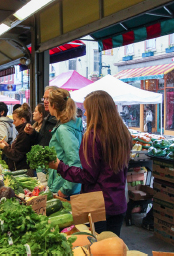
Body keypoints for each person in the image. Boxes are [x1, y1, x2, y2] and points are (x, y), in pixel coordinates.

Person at [49, 90, 132, 236]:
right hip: (118, 201)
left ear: (97, 112)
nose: (85, 114)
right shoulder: (123, 133)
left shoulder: (93, 136)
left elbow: (88, 176)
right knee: (113, 247)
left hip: (97, 204)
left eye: (87, 110)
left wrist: (59, 166)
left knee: (97, 246)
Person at [46, 88, 82, 199]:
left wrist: (65, 189)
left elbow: (75, 161)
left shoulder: (64, 129)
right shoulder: (71, 125)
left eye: (48, 100)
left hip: (64, 187)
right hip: (66, 185)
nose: (45, 102)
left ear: (53, 106)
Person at [0, 103, 33, 172]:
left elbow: (16, 155)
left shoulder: (25, 134)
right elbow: (18, 149)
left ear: (22, 120)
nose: (13, 123)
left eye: (15, 120)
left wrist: (4, 147)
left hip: (22, 171)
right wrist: (8, 146)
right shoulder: (21, 132)